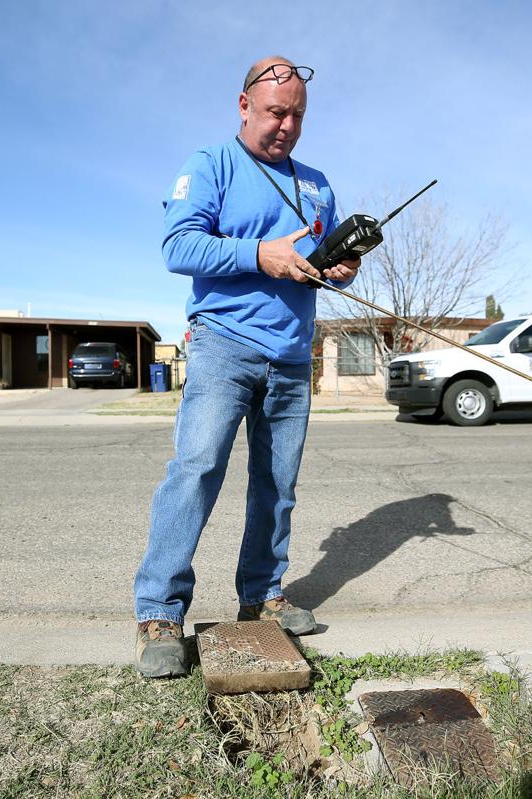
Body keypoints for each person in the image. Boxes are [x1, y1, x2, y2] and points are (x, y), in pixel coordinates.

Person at [132, 56, 361, 678]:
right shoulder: (212, 164)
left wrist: (342, 264)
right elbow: (179, 246)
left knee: (277, 485)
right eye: (274, 112)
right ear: (244, 105)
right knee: (198, 467)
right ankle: (158, 611)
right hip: (224, 344)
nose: (285, 125)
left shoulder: (315, 182)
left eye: (297, 116)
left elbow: (322, 253)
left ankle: (262, 595)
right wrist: (262, 254)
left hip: (292, 354)